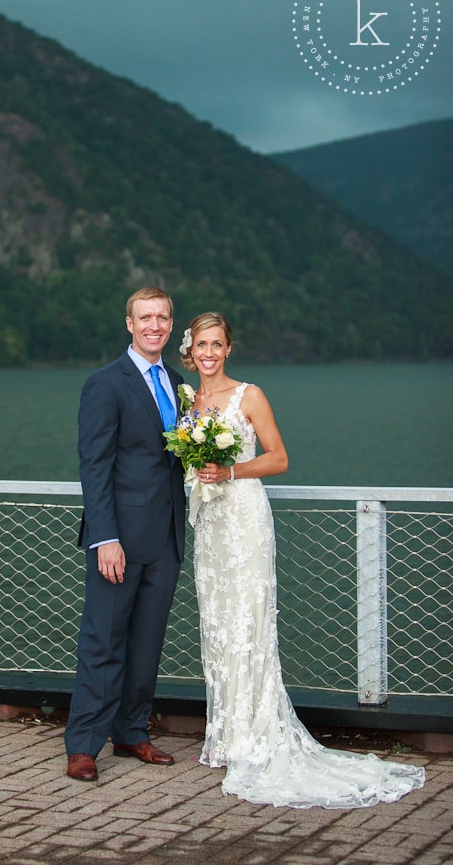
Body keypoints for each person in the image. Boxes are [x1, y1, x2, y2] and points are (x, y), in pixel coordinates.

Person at [179, 311, 425, 808]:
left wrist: (229, 472)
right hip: (211, 528)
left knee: (249, 623)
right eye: (201, 344)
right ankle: (227, 734)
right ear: (192, 351)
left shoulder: (250, 395)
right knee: (219, 623)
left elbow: (279, 458)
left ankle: (258, 735)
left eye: (216, 344)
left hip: (245, 520)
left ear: (229, 349)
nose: (208, 352)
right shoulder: (190, 401)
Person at [64, 287, 187, 782]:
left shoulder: (178, 383)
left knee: (147, 642)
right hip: (119, 540)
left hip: (167, 538)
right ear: (129, 324)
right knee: (103, 640)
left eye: (162, 317)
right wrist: (104, 537)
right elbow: (94, 468)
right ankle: (84, 744)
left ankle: (132, 732)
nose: (154, 325)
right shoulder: (104, 384)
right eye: (145, 317)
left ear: (170, 323)